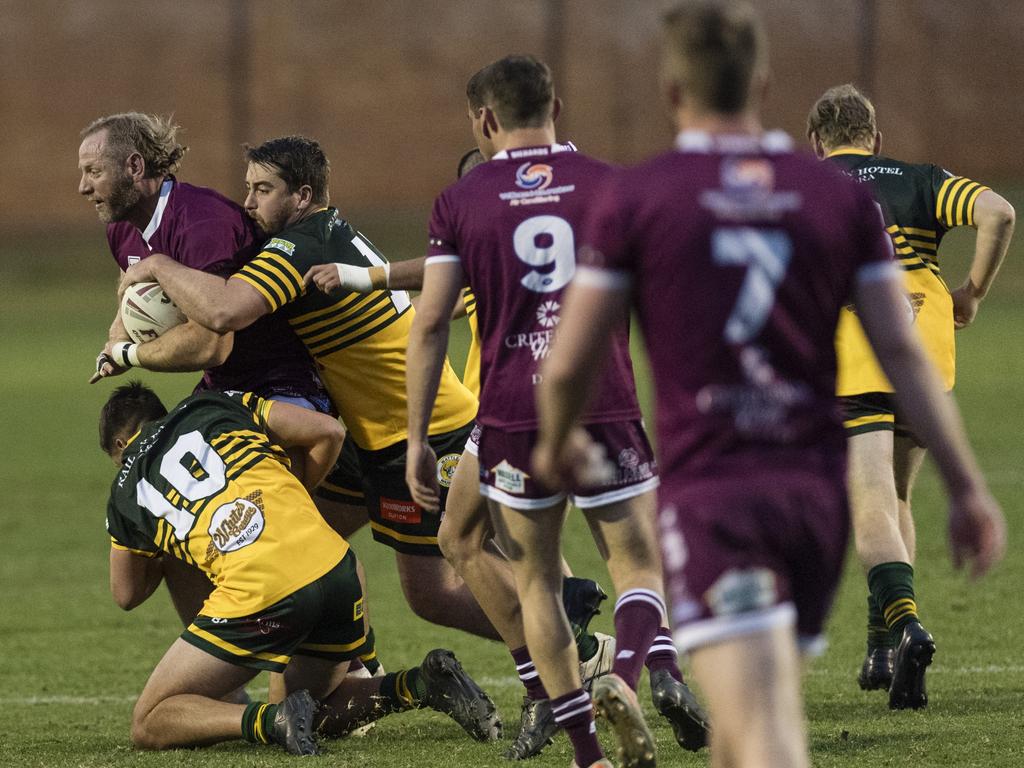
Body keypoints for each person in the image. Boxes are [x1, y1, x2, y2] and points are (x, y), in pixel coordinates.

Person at [532, 3, 1006, 768]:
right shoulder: (838, 200)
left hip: (717, 494)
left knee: (764, 726)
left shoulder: (640, 197)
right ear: (761, 81)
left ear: (671, 92)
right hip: (811, 497)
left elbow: (568, 359)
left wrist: (556, 444)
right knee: (747, 713)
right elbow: (906, 354)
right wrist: (967, 487)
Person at [116, 136, 504, 710]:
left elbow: (221, 314)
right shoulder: (329, 233)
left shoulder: (297, 247)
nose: (248, 202)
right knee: (306, 533)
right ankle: (362, 664)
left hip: (417, 431)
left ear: (302, 195)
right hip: (375, 431)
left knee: (435, 593)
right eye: (247, 187)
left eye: (262, 189)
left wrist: (156, 266)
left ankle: (568, 645)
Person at [406, 55, 708, 768]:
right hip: (603, 401)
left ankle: (588, 756)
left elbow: (430, 322)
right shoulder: (612, 185)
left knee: (538, 580)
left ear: (484, 119)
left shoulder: (463, 200)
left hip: (510, 414)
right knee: (639, 564)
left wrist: (419, 437)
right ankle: (630, 679)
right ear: (557, 107)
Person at [308, 147, 620, 759]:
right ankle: (601, 655)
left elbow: (434, 296)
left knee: (485, 551)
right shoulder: (546, 238)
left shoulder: (490, 239)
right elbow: (438, 294)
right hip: (532, 411)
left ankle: (570, 666)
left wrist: (362, 279)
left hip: (490, 417)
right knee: (490, 555)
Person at [98, 382, 499, 753]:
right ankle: (422, 684)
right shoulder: (215, 403)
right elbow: (329, 433)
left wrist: (164, 545)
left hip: (264, 591)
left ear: (120, 444)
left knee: (149, 721)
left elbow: (126, 594)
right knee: (311, 708)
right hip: (338, 568)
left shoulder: (124, 488)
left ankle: (271, 721)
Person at [78, 112, 332, 650]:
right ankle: (223, 668)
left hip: (280, 385)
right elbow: (131, 297)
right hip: (224, 393)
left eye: (92, 171)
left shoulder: (201, 222)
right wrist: (113, 340)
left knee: (274, 536)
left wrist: (132, 353)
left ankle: (352, 662)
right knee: (175, 526)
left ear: (133, 165)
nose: (83, 187)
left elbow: (214, 341)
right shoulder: (122, 227)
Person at [806, 84, 1016, 706]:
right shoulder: (921, 178)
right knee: (899, 495)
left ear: (817, 142)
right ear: (876, 137)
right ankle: (882, 645)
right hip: (925, 334)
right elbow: (1000, 212)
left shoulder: (808, 185)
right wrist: (973, 292)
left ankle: (907, 626)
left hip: (857, 335)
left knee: (867, 497)